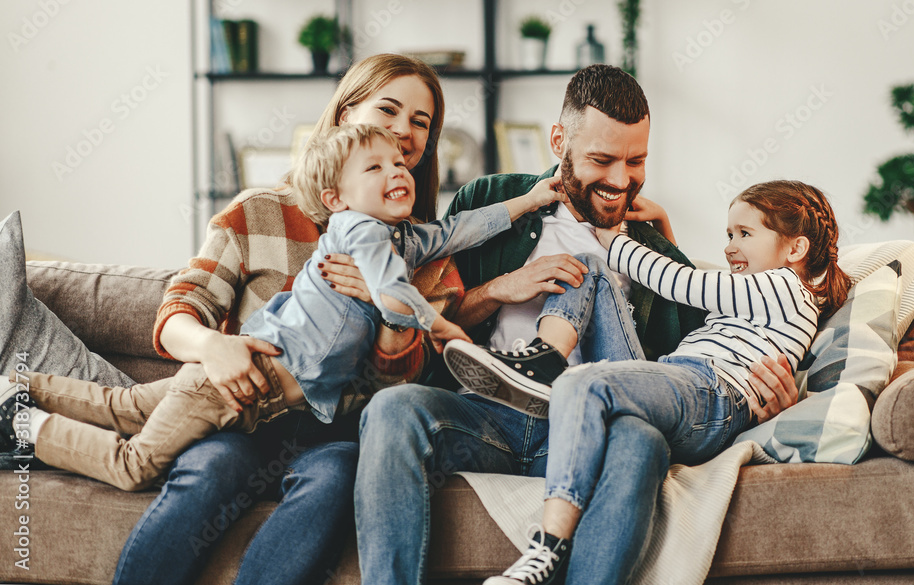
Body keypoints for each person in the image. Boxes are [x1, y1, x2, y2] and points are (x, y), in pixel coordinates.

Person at [1, 54, 453, 585]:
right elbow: (180, 309)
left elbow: (405, 382)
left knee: (333, 480)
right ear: (347, 114)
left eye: (420, 123)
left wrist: (389, 310)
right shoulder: (260, 209)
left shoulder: (424, 251)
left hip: (335, 430)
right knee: (208, 469)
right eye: (389, 110)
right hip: (240, 410)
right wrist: (213, 347)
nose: (403, 131)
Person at [352, 64, 802, 585]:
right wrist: (499, 289)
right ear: (559, 140)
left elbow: (694, 366)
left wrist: (764, 397)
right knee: (393, 408)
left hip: (593, 427)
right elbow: (427, 321)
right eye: (601, 159)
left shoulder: (649, 243)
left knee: (642, 439)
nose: (620, 180)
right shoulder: (490, 199)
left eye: (636, 162)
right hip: (487, 415)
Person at [4, 123, 564, 492]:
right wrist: (445, 329)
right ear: (335, 200)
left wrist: (529, 201)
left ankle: (14, 385)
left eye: (401, 163)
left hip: (253, 396)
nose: (398, 172)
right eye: (376, 168)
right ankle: (21, 423)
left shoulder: (403, 238)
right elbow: (393, 292)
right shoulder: (359, 230)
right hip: (237, 381)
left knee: (122, 404)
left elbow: (460, 229)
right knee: (134, 465)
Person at [444, 179, 851, 584]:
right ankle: (544, 361)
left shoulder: (784, 287)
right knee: (588, 268)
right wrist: (663, 226)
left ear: (796, 249)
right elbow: (695, 297)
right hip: (680, 382)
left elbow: (685, 285)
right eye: (729, 234)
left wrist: (616, 239)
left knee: (582, 383)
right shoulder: (758, 298)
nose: (729, 246)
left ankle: (548, 546)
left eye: (745, 233)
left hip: (712, 391)